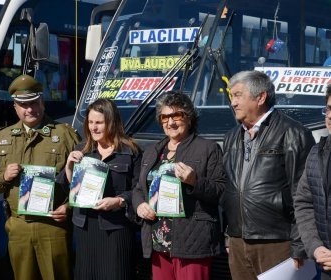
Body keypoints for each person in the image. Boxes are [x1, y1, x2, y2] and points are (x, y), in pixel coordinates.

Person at [0, 74, 81, 280]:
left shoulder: (65, 135)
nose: (29, 109)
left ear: (42, 102)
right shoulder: (2, 138)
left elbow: (84, 180)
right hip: (19, 227)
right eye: (23, 105)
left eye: (34, 102)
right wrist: (4, 175)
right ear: (14, 107)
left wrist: (69, 207)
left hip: (53, 226)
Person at [221, 70, 315, 280]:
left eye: (238, 95)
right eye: (231, 97)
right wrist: (230, 234)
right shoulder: (231, 137)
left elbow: (304, 194)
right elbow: (230, 189)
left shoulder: (294, 134)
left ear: (261, 97)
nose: (233, 103)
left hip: (277, 242)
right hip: (238, 242)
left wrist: (300, 243)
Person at [132, 91, 226, 280]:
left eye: (177, 115)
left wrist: (195, 181)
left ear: (189, 118)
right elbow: (138, 188)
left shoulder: (208, 148)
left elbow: (222, 191)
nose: (171, 122)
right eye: (165, 117)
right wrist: (140, 205)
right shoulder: (153, 151)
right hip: (157, 241)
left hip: (191, 242)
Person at [63, 98, 142, 280]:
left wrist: (119, 201)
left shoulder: (131, 151)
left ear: (111, 122)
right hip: (85, 226)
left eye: (99, 122)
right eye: (90, 122)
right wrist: (69, 167)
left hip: (116, 228)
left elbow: (139, 189)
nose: (93, 127)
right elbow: (74, 189)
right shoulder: (82, 149)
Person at [294, 84, 331, 279]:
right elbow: (304, 203)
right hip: (324, 266)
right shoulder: (317, 152)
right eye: (329, 108)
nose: (330, 116)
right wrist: (315, 247)